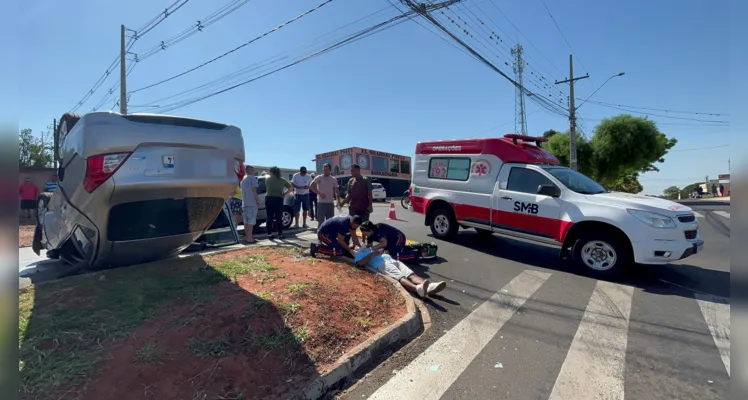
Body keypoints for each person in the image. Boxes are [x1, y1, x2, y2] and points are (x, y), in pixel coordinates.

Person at [353, 246, 446, 298]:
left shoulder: (370, 248)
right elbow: (360, 263)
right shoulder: (359, 254)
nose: (359, 245)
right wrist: (372, 254)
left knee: (411, 274)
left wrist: (381, 251)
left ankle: (429, 287)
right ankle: (417, 288)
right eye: (355, 246)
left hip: (391, 260)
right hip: (382, 264)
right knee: (401, 277)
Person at [265, 166, 291, 239]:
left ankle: (269, 234)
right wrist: (285, 194)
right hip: (279, 198)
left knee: (269, 217)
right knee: (279, 217)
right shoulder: (282, 180)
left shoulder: (267, 179)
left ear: (272, 172)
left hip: (269, 198)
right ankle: (280, 234)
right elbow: (291, 187)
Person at [240, 165, 261, 243]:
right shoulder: (252, 178)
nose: (254, 171)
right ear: (250, 171)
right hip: (251, 203)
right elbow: (254, 190)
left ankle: (247, 237)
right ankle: (250, 238)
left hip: (244, 203)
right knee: (251, 222)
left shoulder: (243, 179)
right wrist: (258, 200)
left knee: (246, 222)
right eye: (253, 170)